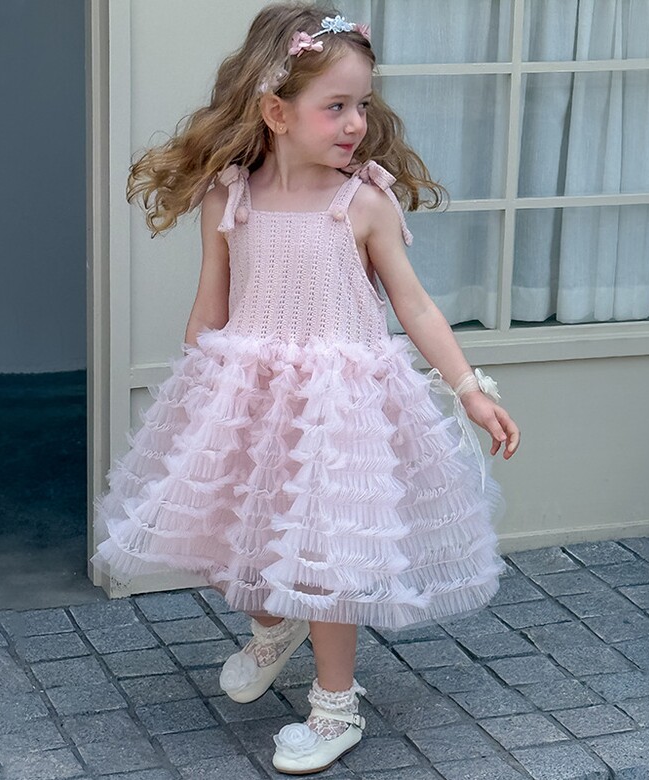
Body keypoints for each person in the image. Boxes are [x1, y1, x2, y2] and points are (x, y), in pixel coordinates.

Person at [91, 3, 520, 774]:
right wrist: (195, 392)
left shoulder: (362, 203)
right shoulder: (230, 197)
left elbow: (415, 306)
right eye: (336, 106)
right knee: (238, 542)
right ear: (276, 112)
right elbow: (211, 302)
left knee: (325, 563)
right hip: (251, 395)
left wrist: (468, 388)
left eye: (362, 104)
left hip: (339, 406)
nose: (356, 123)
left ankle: (334, 708)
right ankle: (273, 626)